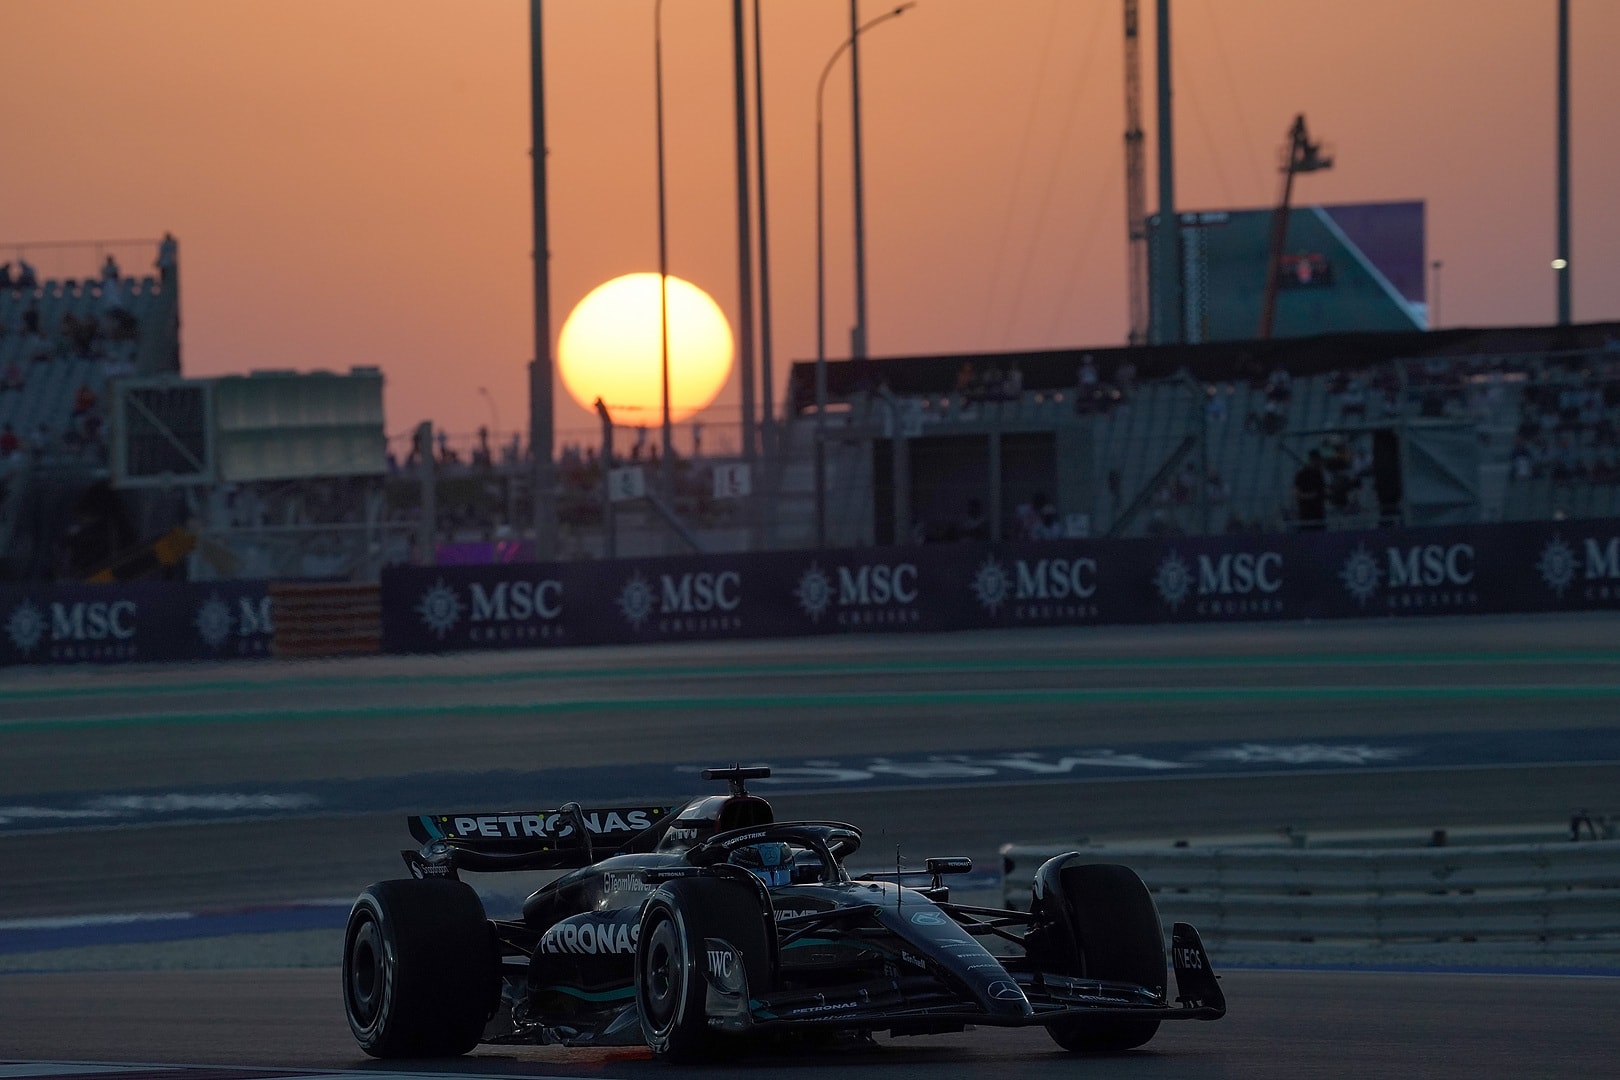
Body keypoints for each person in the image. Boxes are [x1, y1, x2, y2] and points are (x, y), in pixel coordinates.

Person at [1293, 449, 1327, 531]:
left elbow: (1322, 492)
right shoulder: (1301, 475)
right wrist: (1309, 496)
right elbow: (1296, 493)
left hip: (1318, 514)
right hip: (1306, 514)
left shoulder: (1319, 475)